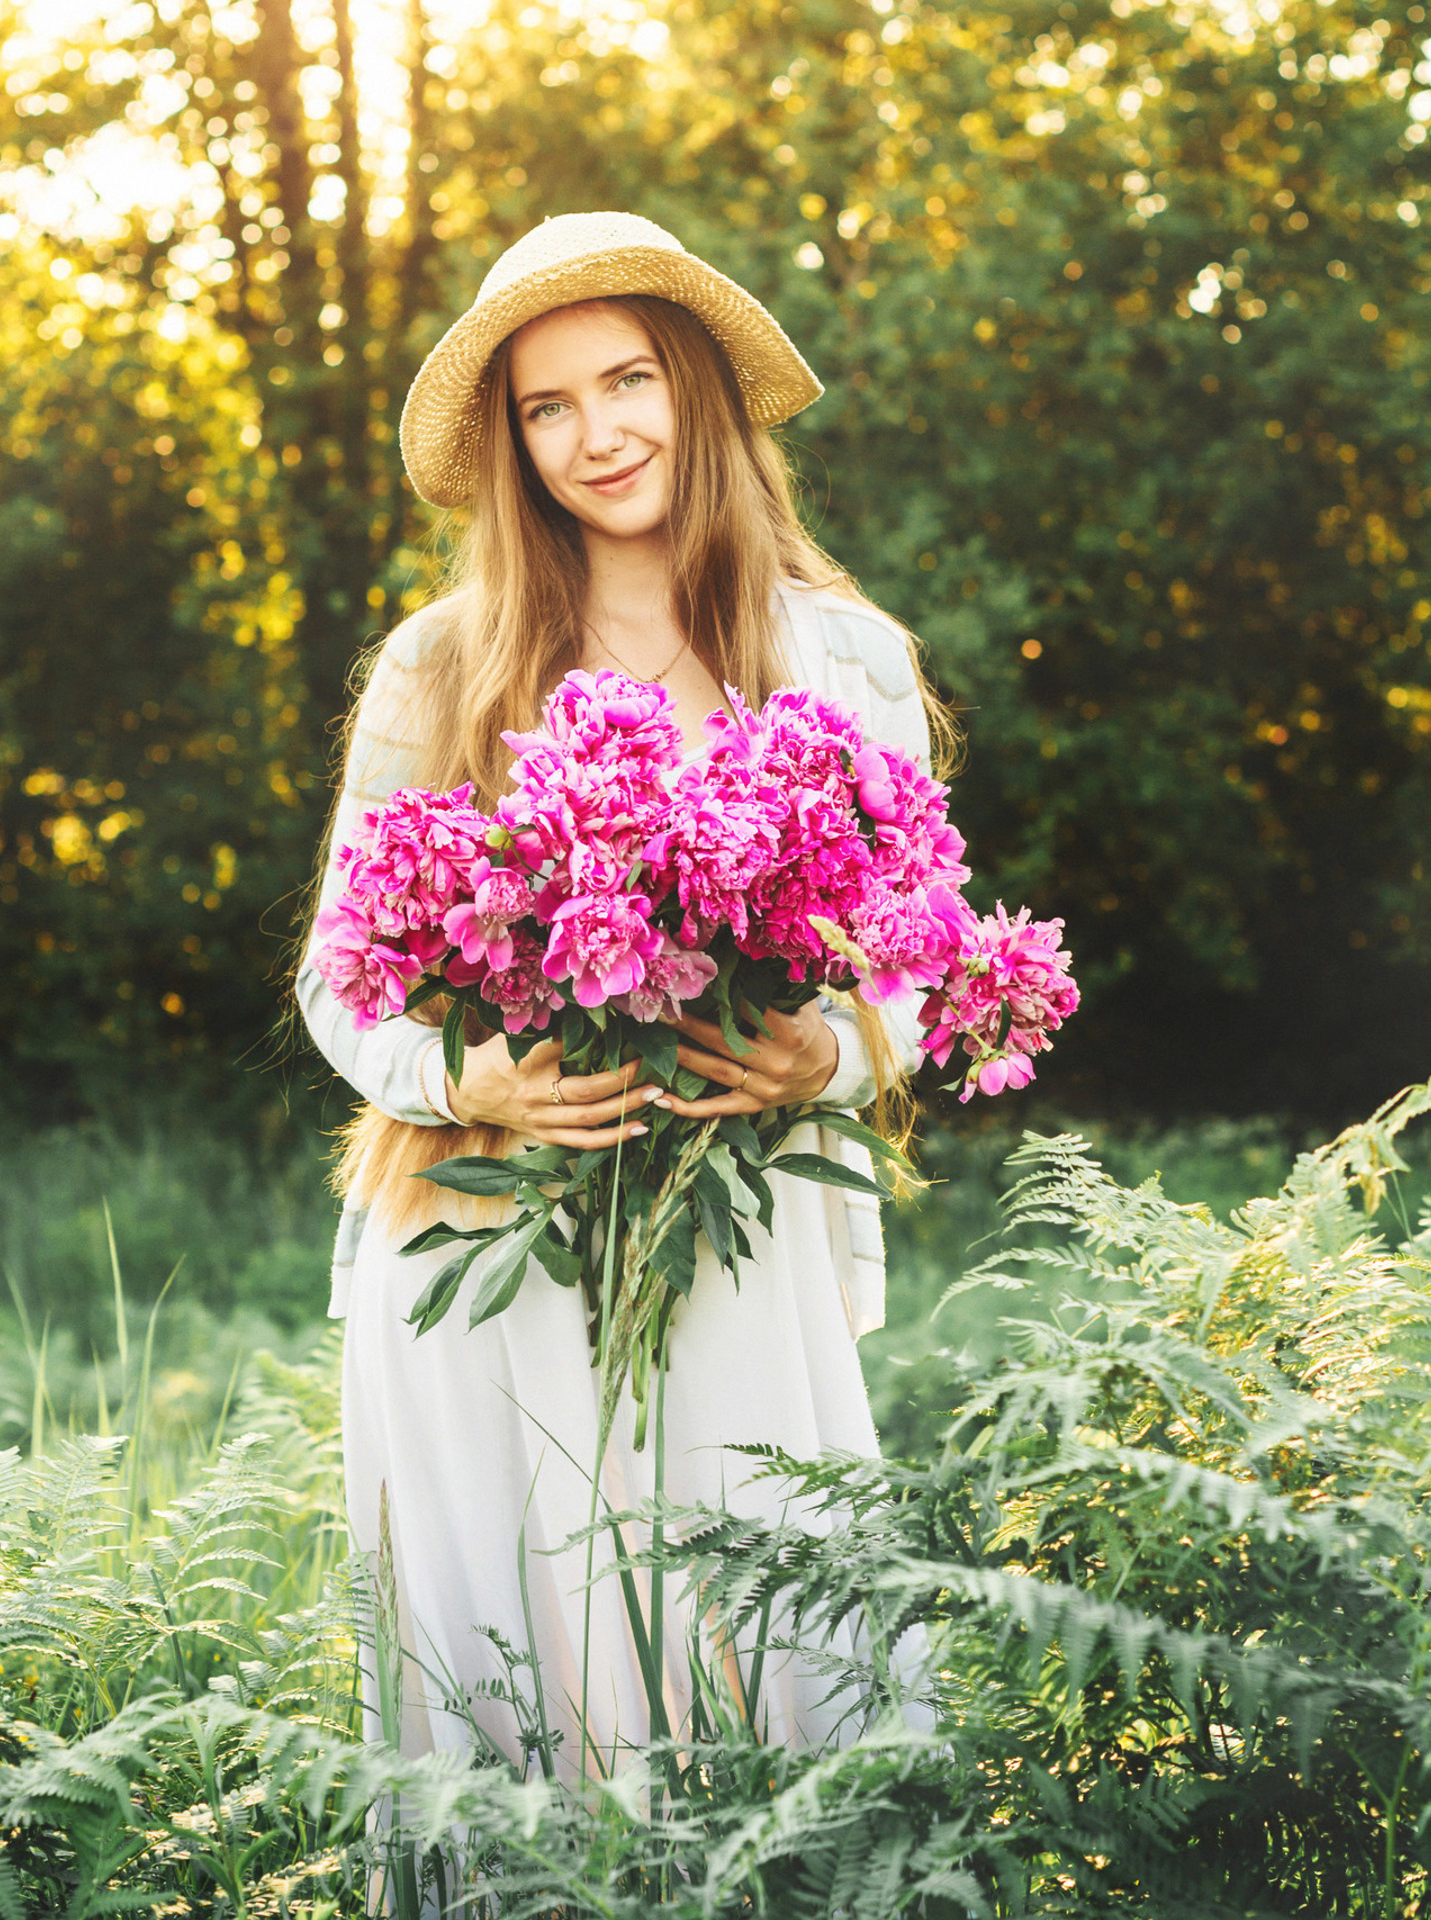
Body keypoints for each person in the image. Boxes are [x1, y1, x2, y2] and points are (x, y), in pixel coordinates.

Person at [296, 212, 953, 1776]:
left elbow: (919, 965)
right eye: (547, 406)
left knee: (765, 1672)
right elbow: (339, 981)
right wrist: (472, 1082)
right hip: (485, 1238)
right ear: (514, 444)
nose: (596, 434)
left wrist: (834, 1055)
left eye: (627, 380)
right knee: (533, 1714)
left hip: (740, 1233)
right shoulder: (441, 666)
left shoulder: (845, 662)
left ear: (699, 393)